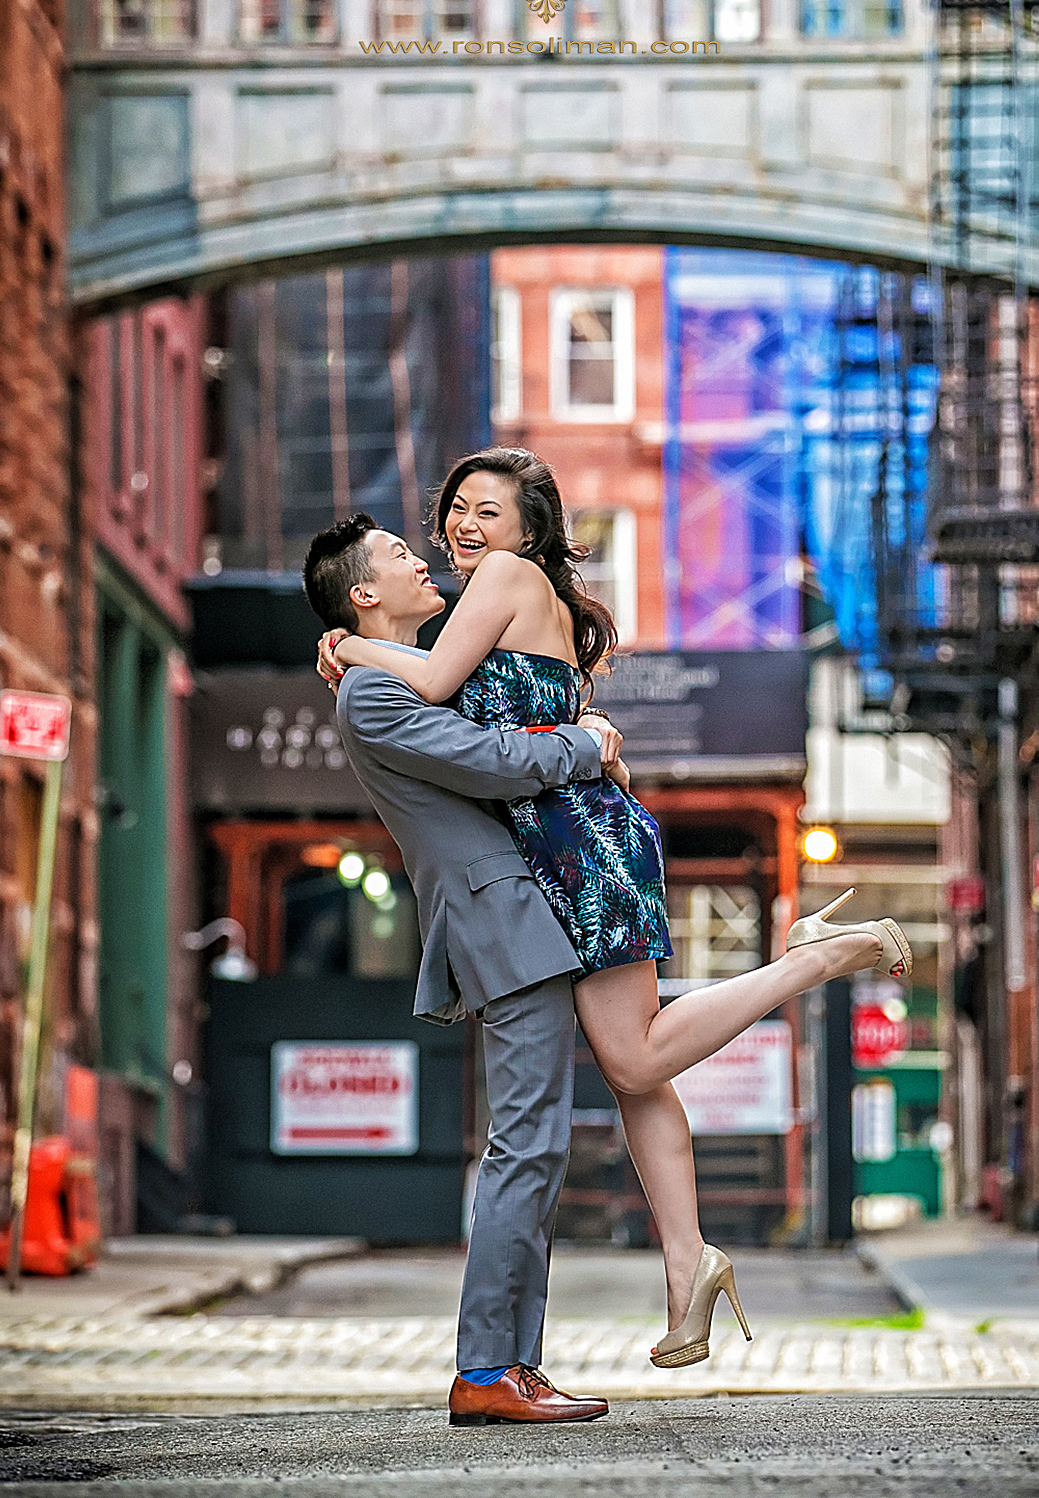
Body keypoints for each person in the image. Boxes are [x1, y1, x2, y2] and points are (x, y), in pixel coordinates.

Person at [316, 448, 912, 1370]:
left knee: (634, 1053)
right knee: (637, 1074)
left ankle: (811, 957)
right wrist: (585, 741)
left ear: (528, 530)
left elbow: (438, 693)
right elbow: (475, 706)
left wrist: (352, 644)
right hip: (562, 843)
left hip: (579, 846)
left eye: (489, 511)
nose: (464, 528)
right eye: (455, 512)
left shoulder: (503, 582)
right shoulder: (494, 601)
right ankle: (688, 1264)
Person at [302, 512, 618, 1428]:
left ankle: (513, 1364)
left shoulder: (396, 674)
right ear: (364, 593)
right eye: (401, 554)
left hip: (514, 917)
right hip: (501, 919)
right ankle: (486, 1368)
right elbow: (493, 763)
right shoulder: (370, 694)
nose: (425, 556)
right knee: (525, 1147)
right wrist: (587, 743)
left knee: (537, 1147)